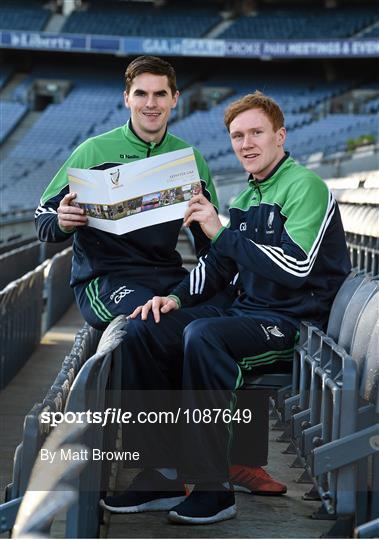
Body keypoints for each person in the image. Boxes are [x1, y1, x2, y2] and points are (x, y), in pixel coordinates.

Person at [100, 91, 351, 524]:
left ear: (280, 136)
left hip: (291, 324)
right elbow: (219, 264)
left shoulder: (306, 187)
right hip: (245, 313)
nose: (246, 144)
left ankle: (213, 488)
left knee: (204, 337)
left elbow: (295, 267)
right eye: (238, 136)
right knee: (142, 326)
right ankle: (160, 472)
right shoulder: (248, 196)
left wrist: (220, 230)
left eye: (257, 133)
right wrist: (174, 298)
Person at [34, 55, 218, 327]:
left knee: (218, 315)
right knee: (153, 318)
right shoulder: (93, 152)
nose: (151, 103)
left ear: (174, 99)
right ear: (127, 98)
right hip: (104, 281)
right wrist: (62, 222)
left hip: (167, 275)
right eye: (141, 94)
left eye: (160, 94)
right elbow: (43, 217)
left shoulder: (191, 160)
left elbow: (209, 243)